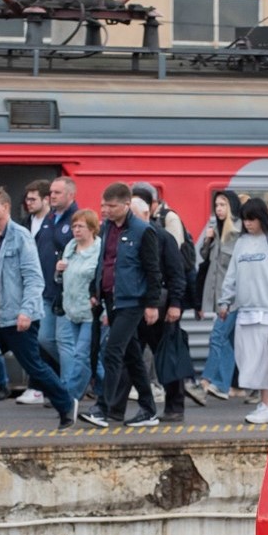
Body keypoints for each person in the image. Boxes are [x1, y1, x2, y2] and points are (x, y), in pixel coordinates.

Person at [0, 188, 76, 433]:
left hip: (16, 315)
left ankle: (65, 403)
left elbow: (33, 278)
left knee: (33, 366)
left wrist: (27, 311)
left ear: (6, 207)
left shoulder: (21, 236)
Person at [79, 183, 164, 429]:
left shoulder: (143, 231)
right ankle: (148, 410)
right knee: (132, 357)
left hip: (132, 301)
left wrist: (152, 304)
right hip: (110, 300)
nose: (105, 210)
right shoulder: (107, 228)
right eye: (103, 205)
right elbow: (104, 262)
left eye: (111, 206)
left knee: (112, 351)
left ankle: (103, 408)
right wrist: (95, 290)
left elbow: (153, 270)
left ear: (127, 205)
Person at [218, 198, 268, 425]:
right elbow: (231, 275)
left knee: (266, 362)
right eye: (245, 219)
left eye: (251, 219)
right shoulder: (241, 243)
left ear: (261, 218)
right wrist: (225, 302)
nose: (247, 223)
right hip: (245, 313)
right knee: (248, 361)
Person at [132, 183, 194, 420]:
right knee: (129, 357)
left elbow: (177, 272)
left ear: (146, 212)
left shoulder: (163, 237)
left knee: (168, 357)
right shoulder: (125, 237)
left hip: (162, 306)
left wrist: (176, 303)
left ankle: (175, 407)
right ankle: (114, 408)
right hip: (135, 306)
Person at [18, 176, 76, 406]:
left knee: (62, 342)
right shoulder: (47, 220)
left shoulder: (73, 219)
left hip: (65, 292)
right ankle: (75, 375)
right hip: (44, 290)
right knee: (44, 339)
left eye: (57, 193)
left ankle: (68, 389)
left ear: (70, 195)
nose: (52, 196)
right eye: (51, 192)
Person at [195, 190, 242, 401]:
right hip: (218, 297)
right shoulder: (216, 230)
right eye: (217, 205)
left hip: (233, 299)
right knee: (228, 341)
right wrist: (207, 240)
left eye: (223, 205)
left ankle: (207, 382)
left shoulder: (238, 233)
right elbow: (204, 257)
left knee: (217, 337)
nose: (219, 209)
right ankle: (225, 385)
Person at [55, 208, 100, 403]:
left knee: (82, 355)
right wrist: (58, 271)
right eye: (74, 226)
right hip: (71, 310)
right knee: (91, 358)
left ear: (92, 228)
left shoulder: (99, 250)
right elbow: (62, 280)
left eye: (81, 226)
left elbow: (103, 278)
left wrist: (98, 298)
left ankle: (68, 398)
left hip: (91, 312)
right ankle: (111, 393)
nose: (76, 230)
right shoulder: (70, 248)